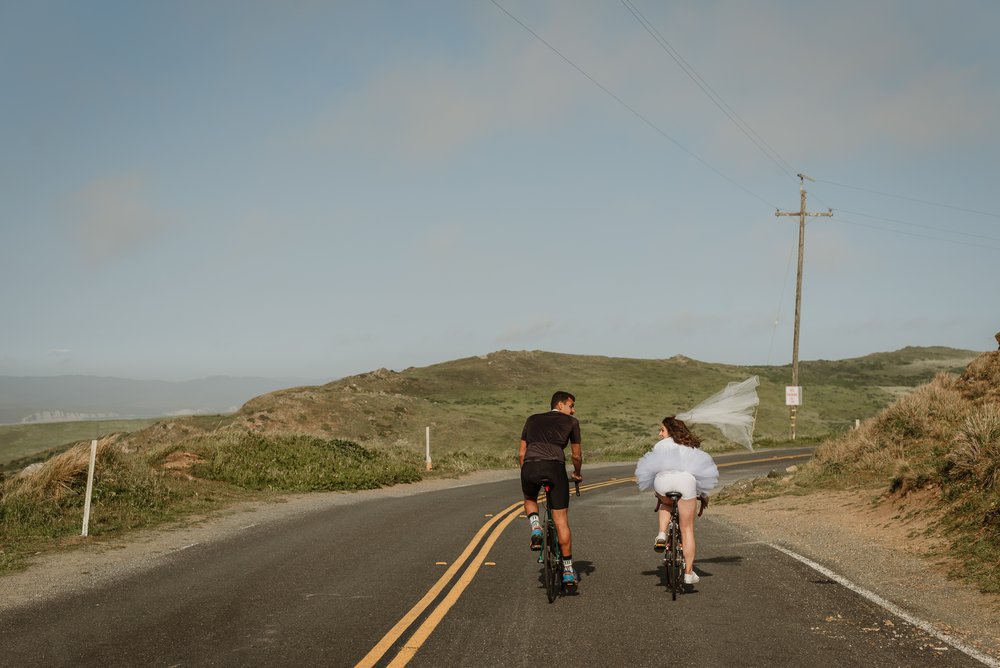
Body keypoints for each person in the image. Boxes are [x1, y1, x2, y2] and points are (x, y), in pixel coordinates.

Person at [635, 416, 718, 585]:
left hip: (663, 482)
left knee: (666, 503)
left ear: (670, 431)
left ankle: (661, 534)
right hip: (686, 482)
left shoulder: (659, 446)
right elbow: (699, 473)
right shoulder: (689, 446)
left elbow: (651, 470)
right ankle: (688, 573)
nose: (659, 434)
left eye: (662, 430)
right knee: (687, 530)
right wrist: (701, 495)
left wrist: (659, 494)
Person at [519, 390, 583, 588]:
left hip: (531, 464)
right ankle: (568, 571)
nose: (573, 410)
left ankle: (536, 526)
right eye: (571, 406)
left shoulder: (531, 419)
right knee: (561, 521)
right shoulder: (572, 423)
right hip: (555, 467)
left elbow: (522, 453)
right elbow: (576, 455)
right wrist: (577, 473)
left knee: (530, 497)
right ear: (561, 404)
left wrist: (527, 471)